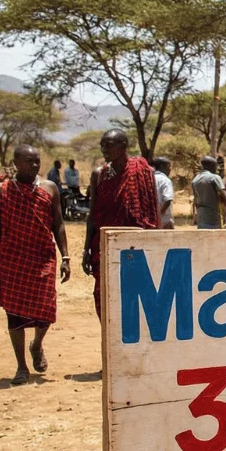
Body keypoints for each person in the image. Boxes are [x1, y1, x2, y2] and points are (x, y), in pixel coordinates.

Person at [0, 145, 70, 385]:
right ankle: (21, 367)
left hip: (42, 258)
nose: (35, 165)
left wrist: (66, 257)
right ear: (16, 162)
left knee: (46, 310)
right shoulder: (3, 191)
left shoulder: (50, 188)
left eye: (37, 161)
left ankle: (37, 344)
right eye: (30, 161)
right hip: (12, 259)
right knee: (14, 314)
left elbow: (58, 224)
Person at [84, 129, 159, 316]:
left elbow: (153, 211)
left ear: (123, 146)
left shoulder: (143, 171)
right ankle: (108, 341)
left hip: (136, 244)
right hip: (104, 245)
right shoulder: (99, 174)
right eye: (102, 145)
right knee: (103, 294)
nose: (103, 149)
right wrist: (86, 249)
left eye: (108, 145)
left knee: (138, 296)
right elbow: (92, 214)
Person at [191, 156, 226, 230]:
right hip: (213, 217)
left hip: (201, 217)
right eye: (215, 166)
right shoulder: (214, 177)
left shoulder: (195, 179)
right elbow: (225, 197)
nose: (217, 169)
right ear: (212, 166)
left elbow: (195, 200)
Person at [152, 157, 175, 230]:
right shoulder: (165, 180)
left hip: (151, 220)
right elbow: (168, 199)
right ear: (162, 166)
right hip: (165, 220)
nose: (170, 169)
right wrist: (159, 214)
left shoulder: (149, 178)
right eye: (168, 166)